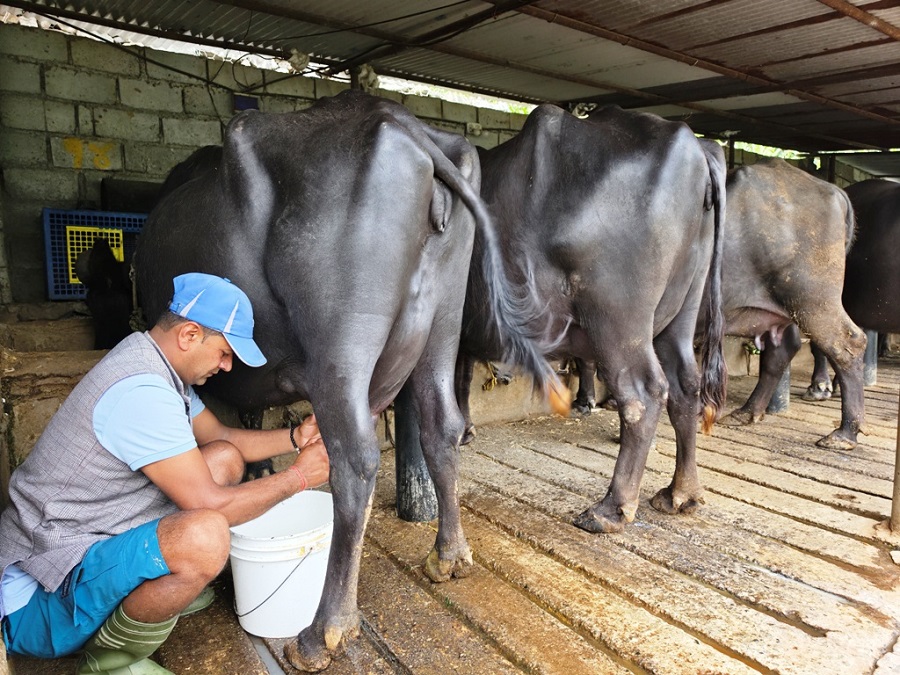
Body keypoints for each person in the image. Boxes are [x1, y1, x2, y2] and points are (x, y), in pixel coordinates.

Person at [0, 272, 330, 674]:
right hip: (39, 600)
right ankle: (109, 663)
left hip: (85, 539)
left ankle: (153, 592)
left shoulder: (152, 363)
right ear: (189, 335)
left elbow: (222, 437)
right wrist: (299, 478)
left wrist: (297, 438)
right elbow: (209, 504)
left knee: (223, 457)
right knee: (205, 536)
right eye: (225, 352)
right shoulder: (142, 392)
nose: (227, 366)